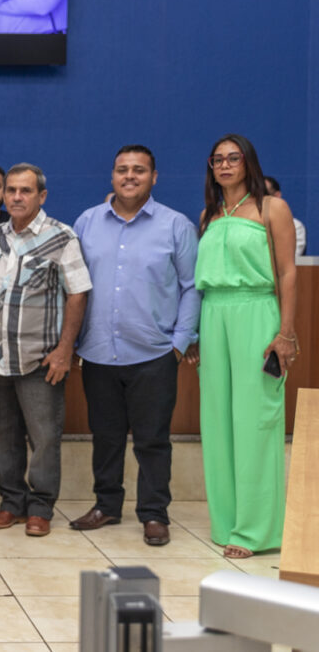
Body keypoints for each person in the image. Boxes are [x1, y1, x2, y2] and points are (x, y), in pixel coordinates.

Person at [70, 146, 201, 546]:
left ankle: (154, 513)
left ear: (154, 177)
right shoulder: (87, 222)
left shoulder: (175, 225)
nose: (130, 176)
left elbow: (192, 287)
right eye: (122, 170)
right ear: (112, 176)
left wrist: (179, 343)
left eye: (139, 170)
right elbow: (72, 285)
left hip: (154, 353)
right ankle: (107, 506)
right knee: (105, 436)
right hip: (96, 352)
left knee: (152, 439)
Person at [191, 134, 297, 559]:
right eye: (217, 159)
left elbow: (288, 273)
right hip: (214, 315)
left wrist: (286, 333)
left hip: (257, 311)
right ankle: (228, 521)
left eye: (233, 158)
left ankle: (256, 531)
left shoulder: (273, 208)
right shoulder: (209, 214)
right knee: (218, 422)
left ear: (248, 162)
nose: (225, 165)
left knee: (256, 422)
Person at [0, 163, 91, 537]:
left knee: (44, 438)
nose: (15, 197)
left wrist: (65, 349)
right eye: (11, 190)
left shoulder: (61, 237)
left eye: (25, 191)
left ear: (41, 196)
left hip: (40, 359)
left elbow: (78, 292)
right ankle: (11, 502)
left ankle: (41, 506)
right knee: (2, 436)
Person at [264, 176, 305, 255]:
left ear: (277, 195)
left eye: (265, 193)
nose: (260, 198)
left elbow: (292, 256)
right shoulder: (244, 223)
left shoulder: (294, 226)